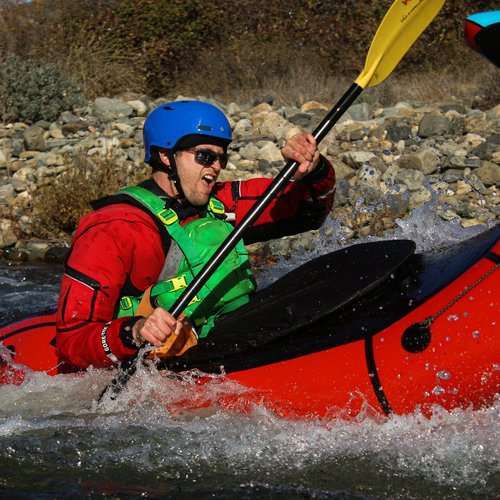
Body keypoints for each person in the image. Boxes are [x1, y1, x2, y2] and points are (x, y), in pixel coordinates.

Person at [55, 100, 336, 371]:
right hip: (153, 366)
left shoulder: (221, 203)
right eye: (205, 156)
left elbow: (310, 210)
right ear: (166, 157)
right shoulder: (112, 228)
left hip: (227, 342)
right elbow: (72, 341)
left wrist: (314, 169)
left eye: (221, 157)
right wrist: (135, 331)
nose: (216, 166)